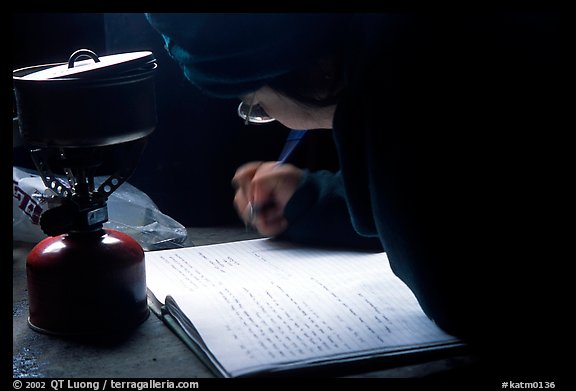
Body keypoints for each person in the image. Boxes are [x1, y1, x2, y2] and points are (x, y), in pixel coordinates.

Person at [145, 13, 567, 378]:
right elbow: (458, 200)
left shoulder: (417, 62)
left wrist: (363, 116)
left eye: (255, 103)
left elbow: (463, 297)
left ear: (310, 71)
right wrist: (311, 197)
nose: (265, 115)